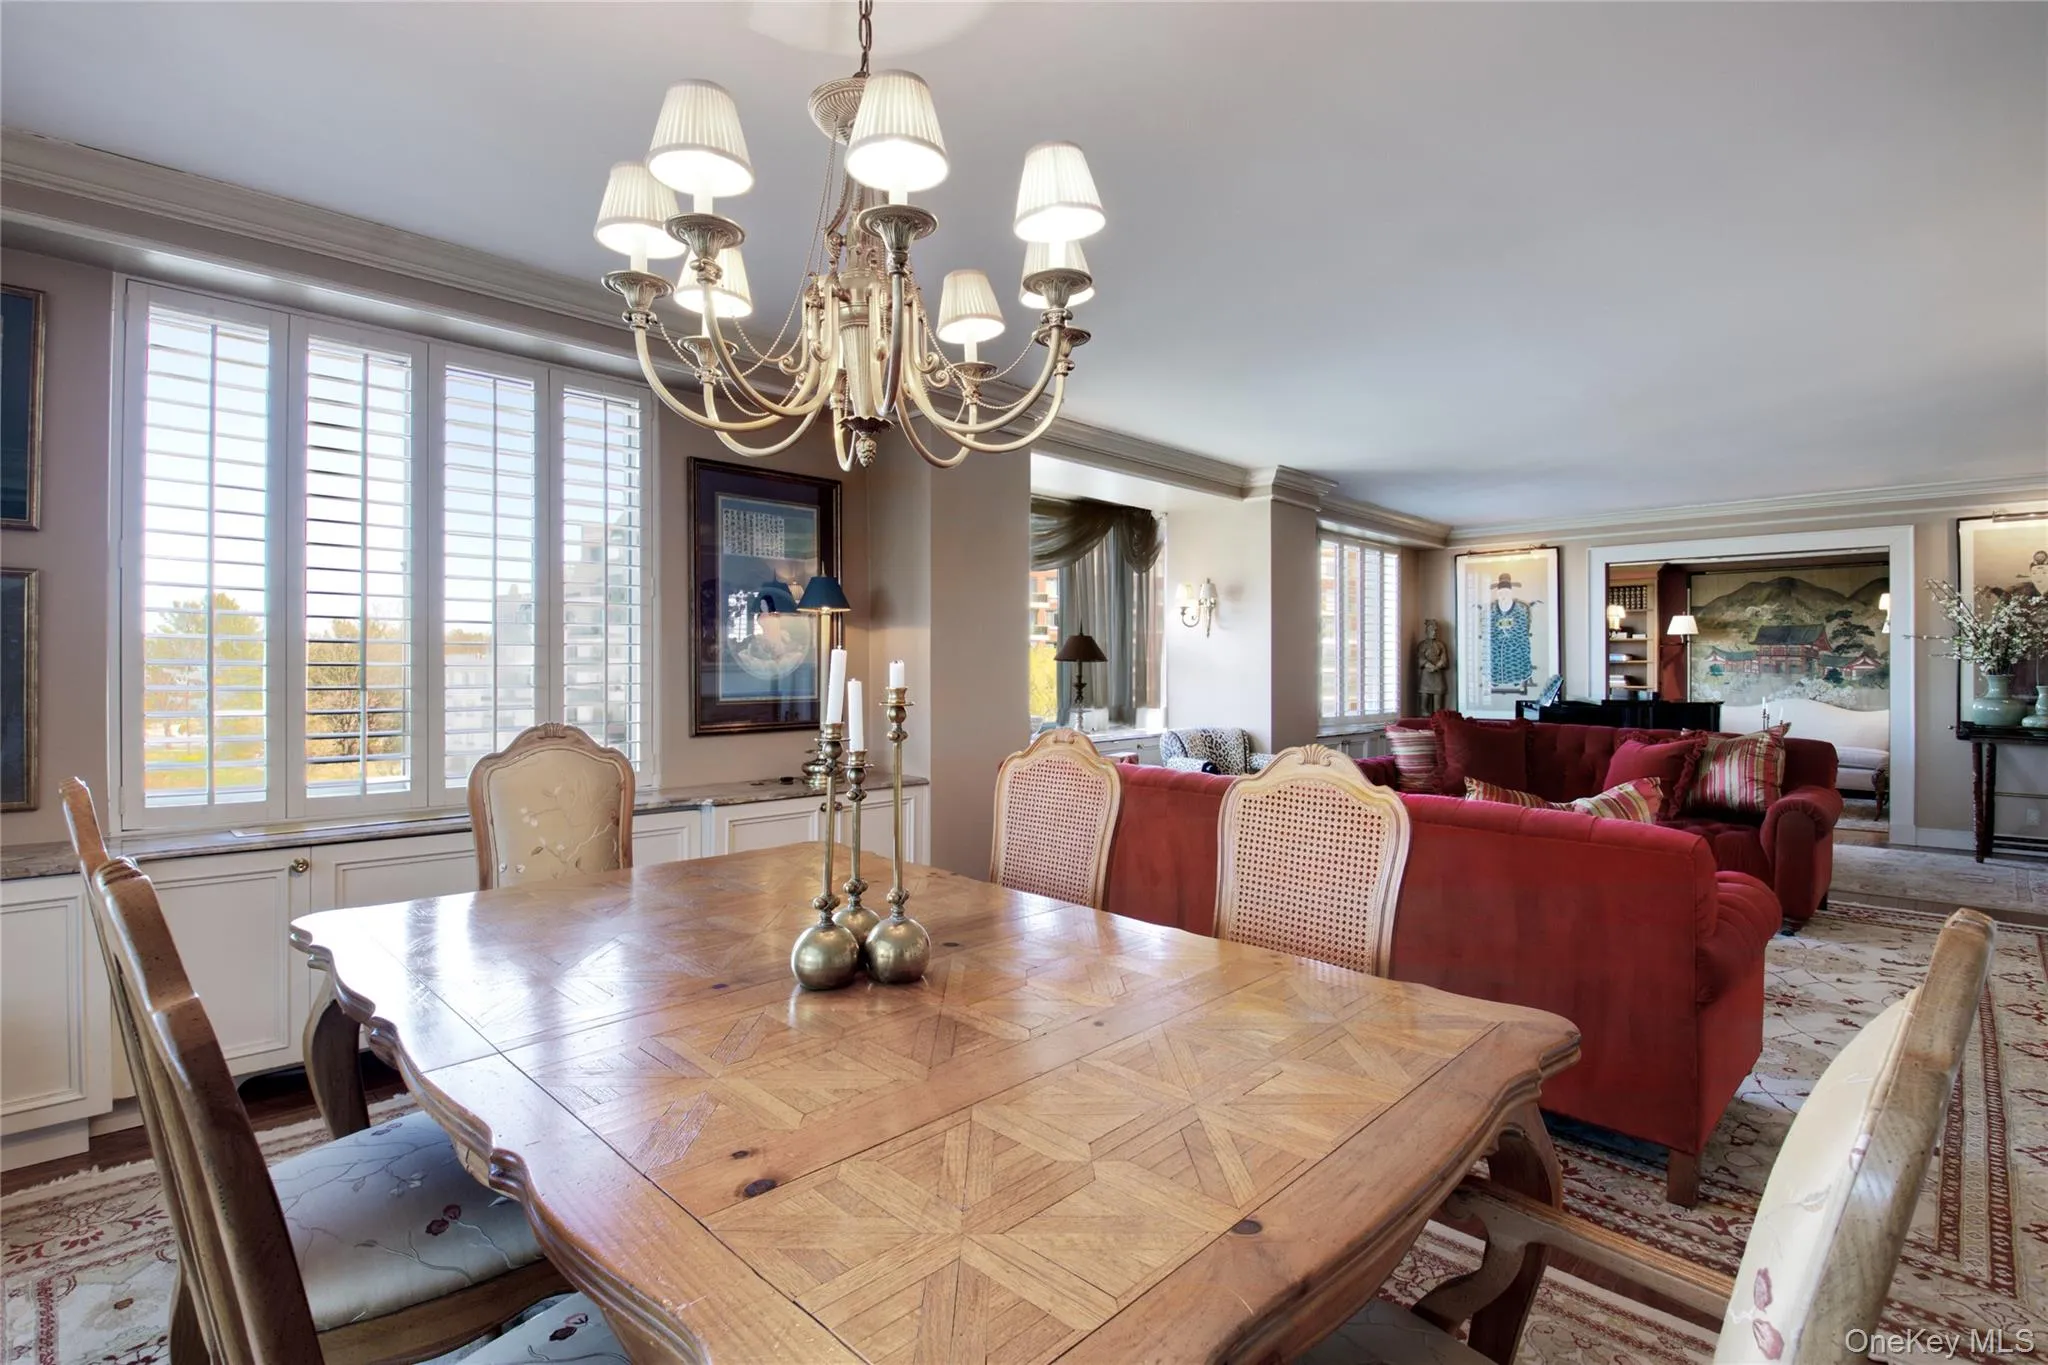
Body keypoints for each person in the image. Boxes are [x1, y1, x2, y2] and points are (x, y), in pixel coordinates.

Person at [1415, 618, 1450, 715]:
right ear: (1427, 631)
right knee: (1425, 693)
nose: (1434, 632)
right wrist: (1428, 664)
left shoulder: (1440, 644)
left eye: (1435, 630)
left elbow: (1444, 659)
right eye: (1431, 630)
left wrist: (1438, 665)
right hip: (1427, 673)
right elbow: (1420, 658)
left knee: (1438, 695)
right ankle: (1424, 711)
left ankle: (1437, 714)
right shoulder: (1422, 645)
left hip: (1437, 673)